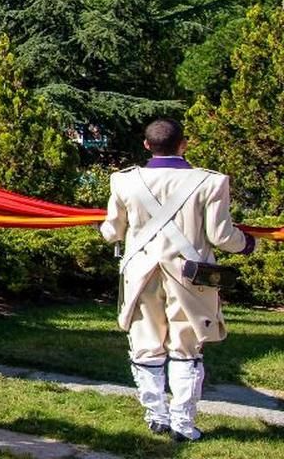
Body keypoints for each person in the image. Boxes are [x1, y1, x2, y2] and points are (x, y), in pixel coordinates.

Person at [101, 118, 256, 442]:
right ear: (183, 144)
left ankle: (156, 416)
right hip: (190, 278)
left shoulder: (124, 181)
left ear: (147, 145)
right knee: (186, 350)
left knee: (146, 347)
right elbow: (222, 236)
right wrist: (248, 243)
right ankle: (183, 424)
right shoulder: (212, 183)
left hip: (141, 274)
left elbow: (112, 231)